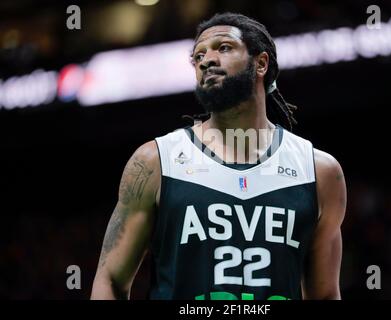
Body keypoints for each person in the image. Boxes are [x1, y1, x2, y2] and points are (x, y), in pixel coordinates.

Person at [91, 12, 347, 300]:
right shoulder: (155, 161)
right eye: (198, 56)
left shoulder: (319, 171)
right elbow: (110, 280)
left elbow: (324, 295)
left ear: (261, 63)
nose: (206, 60)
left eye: (223, 48)